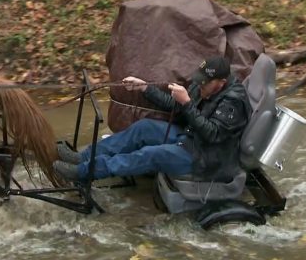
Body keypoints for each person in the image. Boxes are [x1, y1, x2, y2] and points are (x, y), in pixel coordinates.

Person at [53, 55, 252, 183]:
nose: (199, 87)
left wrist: (187, 104)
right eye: (199, 82)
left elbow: (212, 134)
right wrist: (145, 88)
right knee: (144, 128)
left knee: (150, 154)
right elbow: (177, 106)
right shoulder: (205, 86)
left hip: (206, 158)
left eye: (204, 84)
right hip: (190, 138)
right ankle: (85, 156)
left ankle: (84, 172)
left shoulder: (233, 101)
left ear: (221, 83)